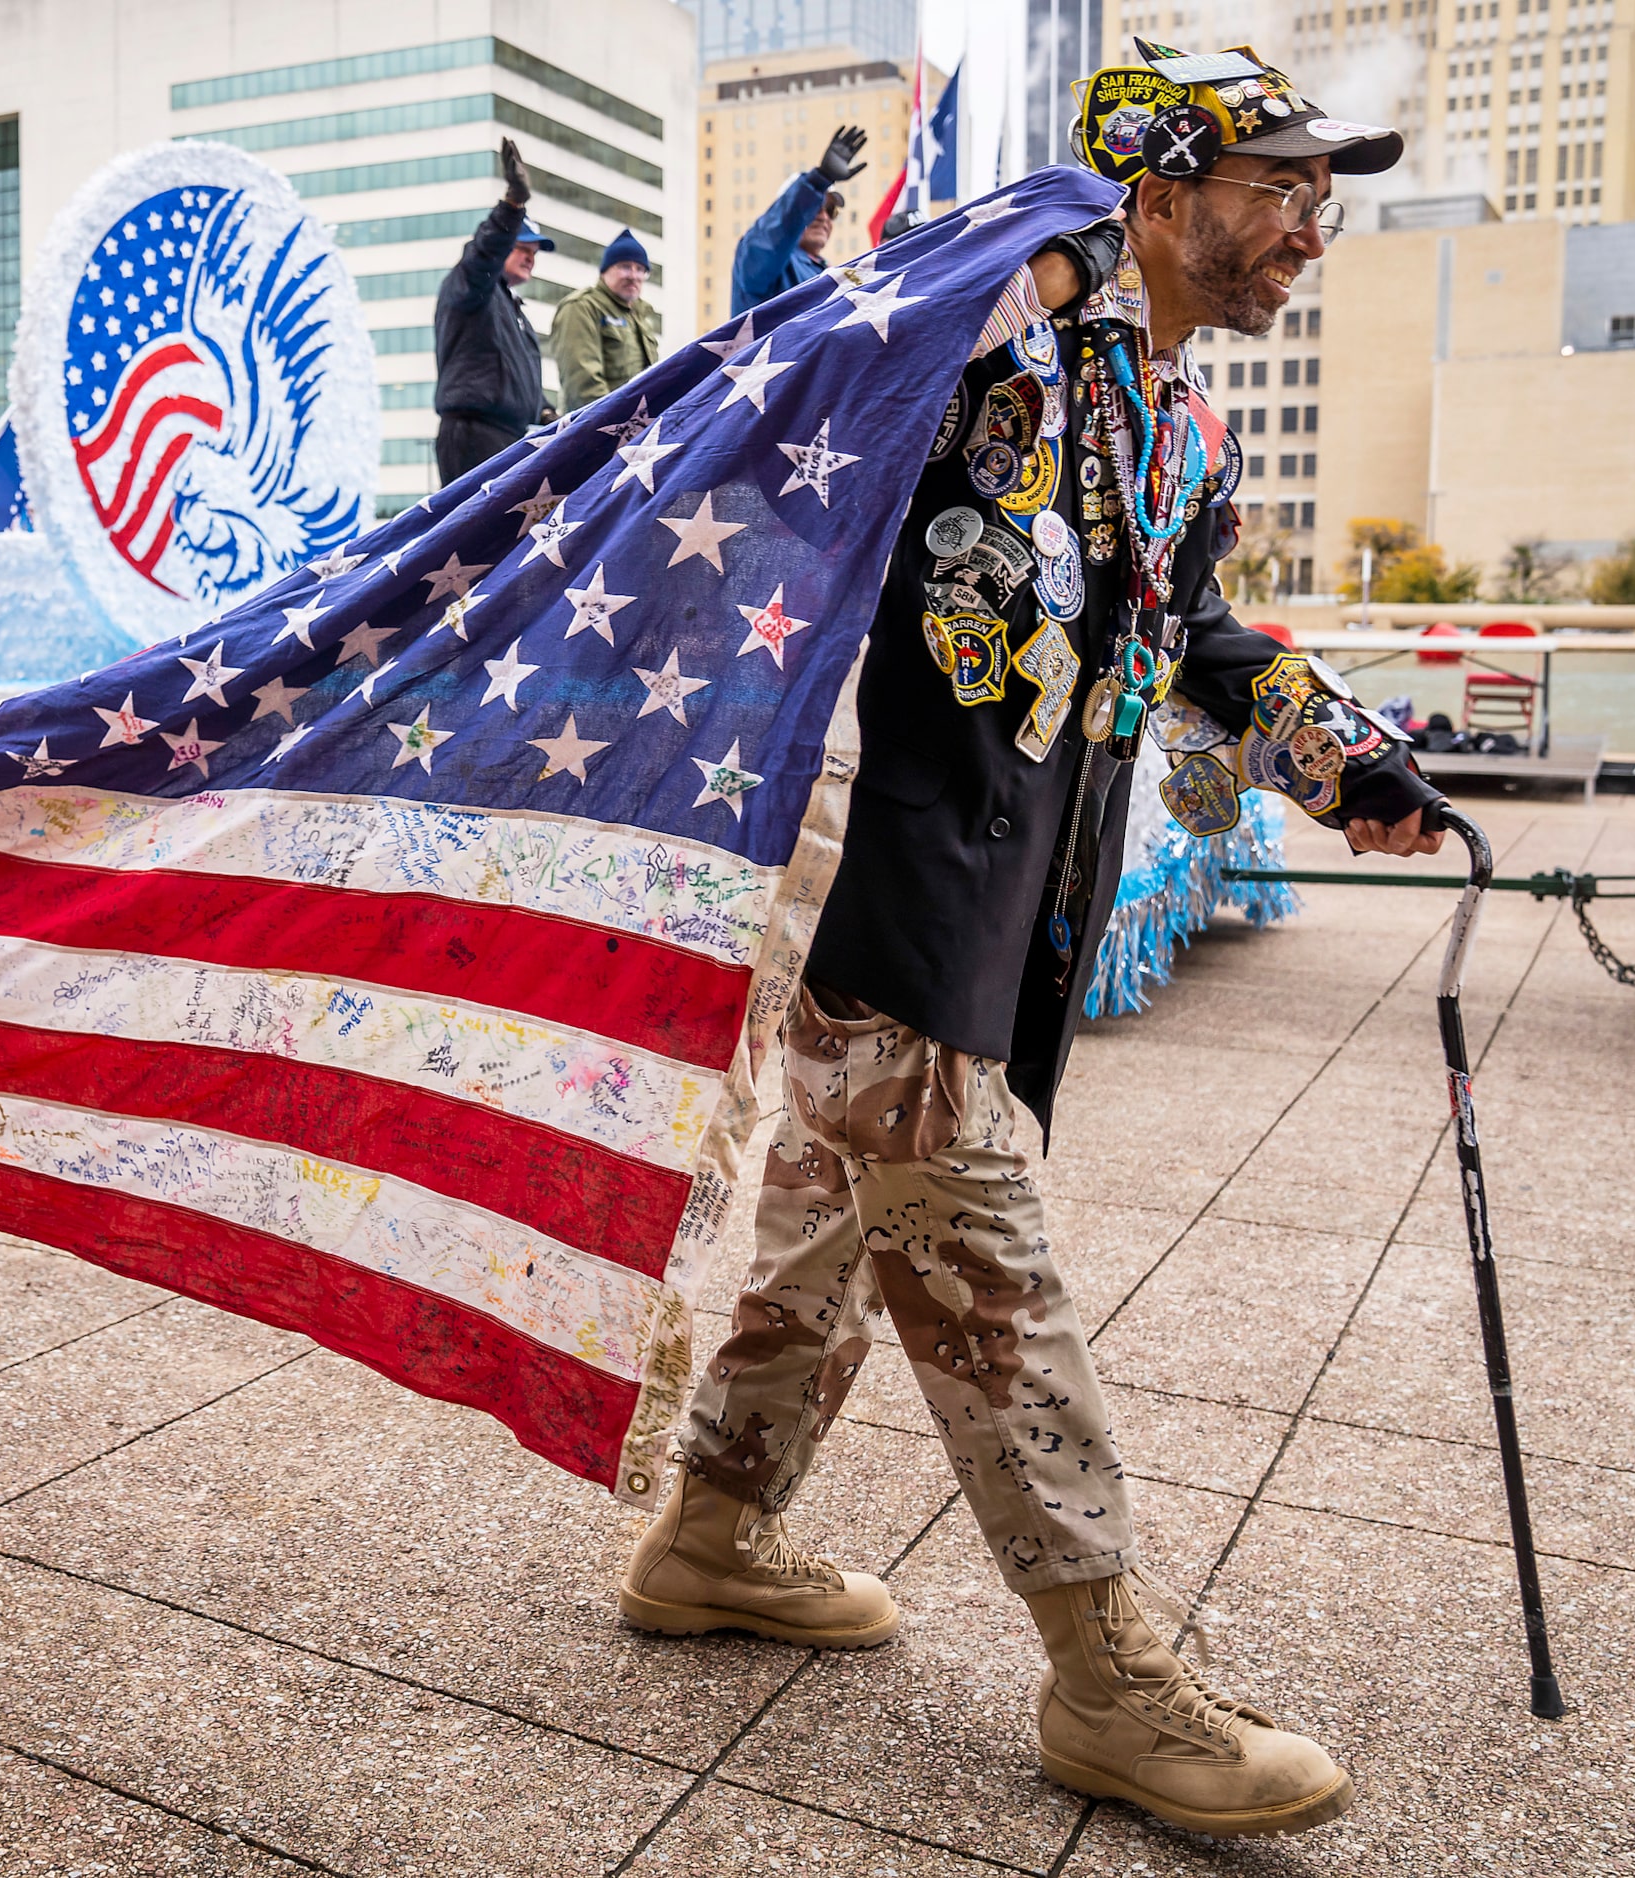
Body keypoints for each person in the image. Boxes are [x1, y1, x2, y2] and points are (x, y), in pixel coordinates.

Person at [618, 45, 1443, 1840]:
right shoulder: (989, 328)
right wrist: (1055, 237)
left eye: (1322, 200)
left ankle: (708, 1530)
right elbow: (817, 352)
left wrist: (1340, 759)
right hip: (880, 863)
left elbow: (1196, 622)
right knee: (974, 1244)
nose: (1306, 230)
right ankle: (1103, 1664)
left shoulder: (1171, 417)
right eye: (1275, 191)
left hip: (1006, 897)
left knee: (829, 1228)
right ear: (1151, 196)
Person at [433, 139, 556, 485]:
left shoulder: (510, 307)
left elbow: (515, 377)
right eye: (521, 247)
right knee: (475, 537)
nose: (531, 256)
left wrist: (548, 413)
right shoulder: (471, 285)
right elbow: (483, 254)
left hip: (508, 437)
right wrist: (513, 204)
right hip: (474, 435)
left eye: (535, 251)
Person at [730, 124, 868, 315]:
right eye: (814, 207)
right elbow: (772, 238)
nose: (823, 217)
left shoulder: (832, 273)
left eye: (831, 210)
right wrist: (819, 180)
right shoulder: (763, 259)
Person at [549, 230, 661, 414]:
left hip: (637, 429)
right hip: (602, 430)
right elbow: (582, 383)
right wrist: (611, 423)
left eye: (640, 269)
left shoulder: (641, 317)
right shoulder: (582, 307)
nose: (633, 275)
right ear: (604, 272)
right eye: (625, 266)